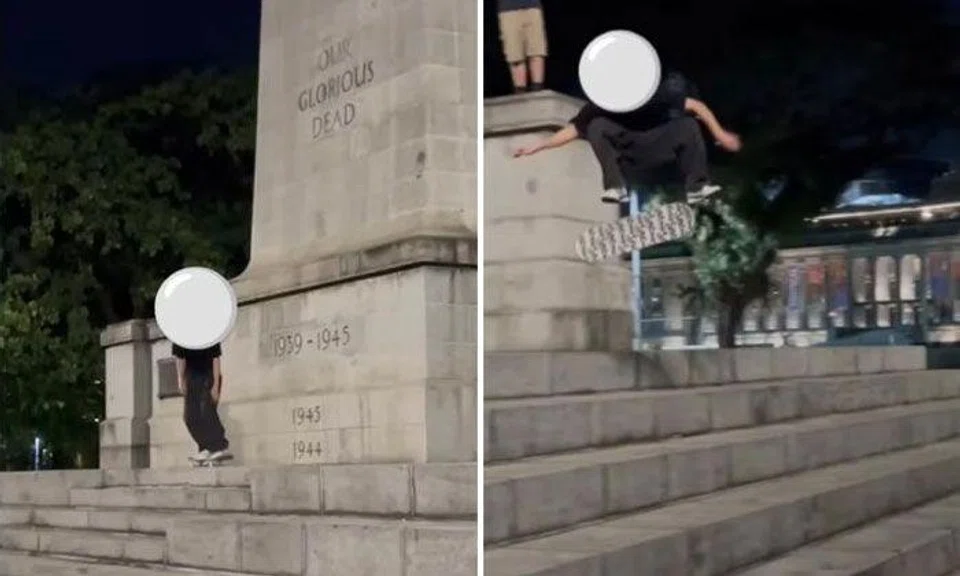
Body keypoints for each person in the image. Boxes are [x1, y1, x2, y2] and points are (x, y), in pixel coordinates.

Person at [514, 71, 742, 203]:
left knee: (688, 125)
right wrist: (539, 146)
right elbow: (573, 130)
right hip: (627, 152)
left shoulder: (653, 93)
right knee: (596, 125)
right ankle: (615, 186)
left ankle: (696, 187)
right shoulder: (599, 105)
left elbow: (696, 106)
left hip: (656, 144)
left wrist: (720, 134)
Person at [173, 342, 231, 462]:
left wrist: (215, 385)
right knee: (189, 417)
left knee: (206, 410)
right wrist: (180, 379)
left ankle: (219, 445)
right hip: (191, 376)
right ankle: (205, 448)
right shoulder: (180, 334)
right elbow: (180, 357)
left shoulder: (209, 333)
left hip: (209, 373)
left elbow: (215, 358)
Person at [497, 0, 548, 93]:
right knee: (515, 57)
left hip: (532, 6)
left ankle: (538, 92)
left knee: (537, 52)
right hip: (508, 10)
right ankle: (520, 95)